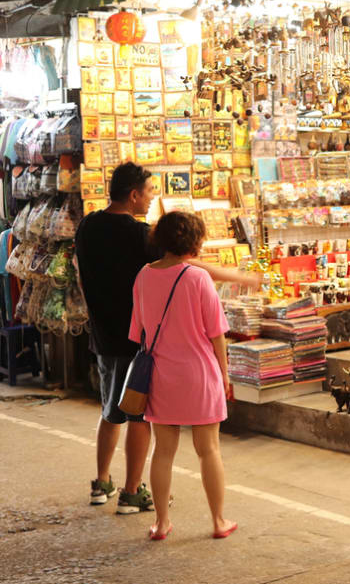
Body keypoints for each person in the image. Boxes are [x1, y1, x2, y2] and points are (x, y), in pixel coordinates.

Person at [75, 162, 257, 513]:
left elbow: (81, 276)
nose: (150, 198)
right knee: (139, 416)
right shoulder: (139, 234)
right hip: (138, 344)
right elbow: (187, 266)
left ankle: (102, 482)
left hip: (103, 334)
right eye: (148, 192)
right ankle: (131, 490)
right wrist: (235, 275)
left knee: (112, 408)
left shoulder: (87, 226)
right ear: (133, 195)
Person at [128, 211, 237, 541]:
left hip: (161, 376)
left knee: (163, 451)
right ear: (194, 240)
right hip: (200, 375)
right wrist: (225, 374)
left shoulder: (143, 276)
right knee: (209, 450)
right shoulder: (198, 278)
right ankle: (218, 521)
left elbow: (139, 332)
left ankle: (161, 524)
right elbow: (217, 333)